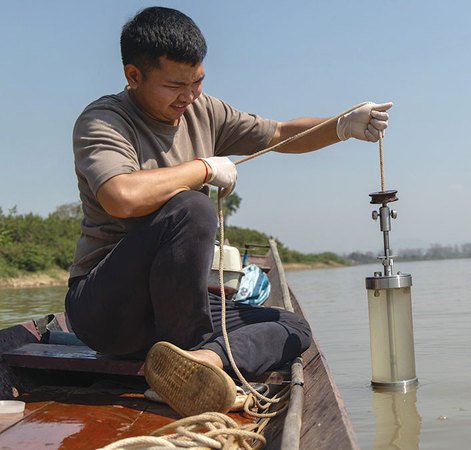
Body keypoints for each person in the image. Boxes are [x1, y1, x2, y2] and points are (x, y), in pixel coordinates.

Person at [64, 6, 391, 418]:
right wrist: (202, 168)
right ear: (134, 76)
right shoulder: (104, 121)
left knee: (294, 328)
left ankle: (202, 365)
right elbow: (120, 197)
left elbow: (279, 134)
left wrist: (342, 125)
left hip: (178, 309)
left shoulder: (203, 110)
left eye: (197, 81)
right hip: (109, 312)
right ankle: (192, 351)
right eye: (176, 85)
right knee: (191, 206)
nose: (189, 96)